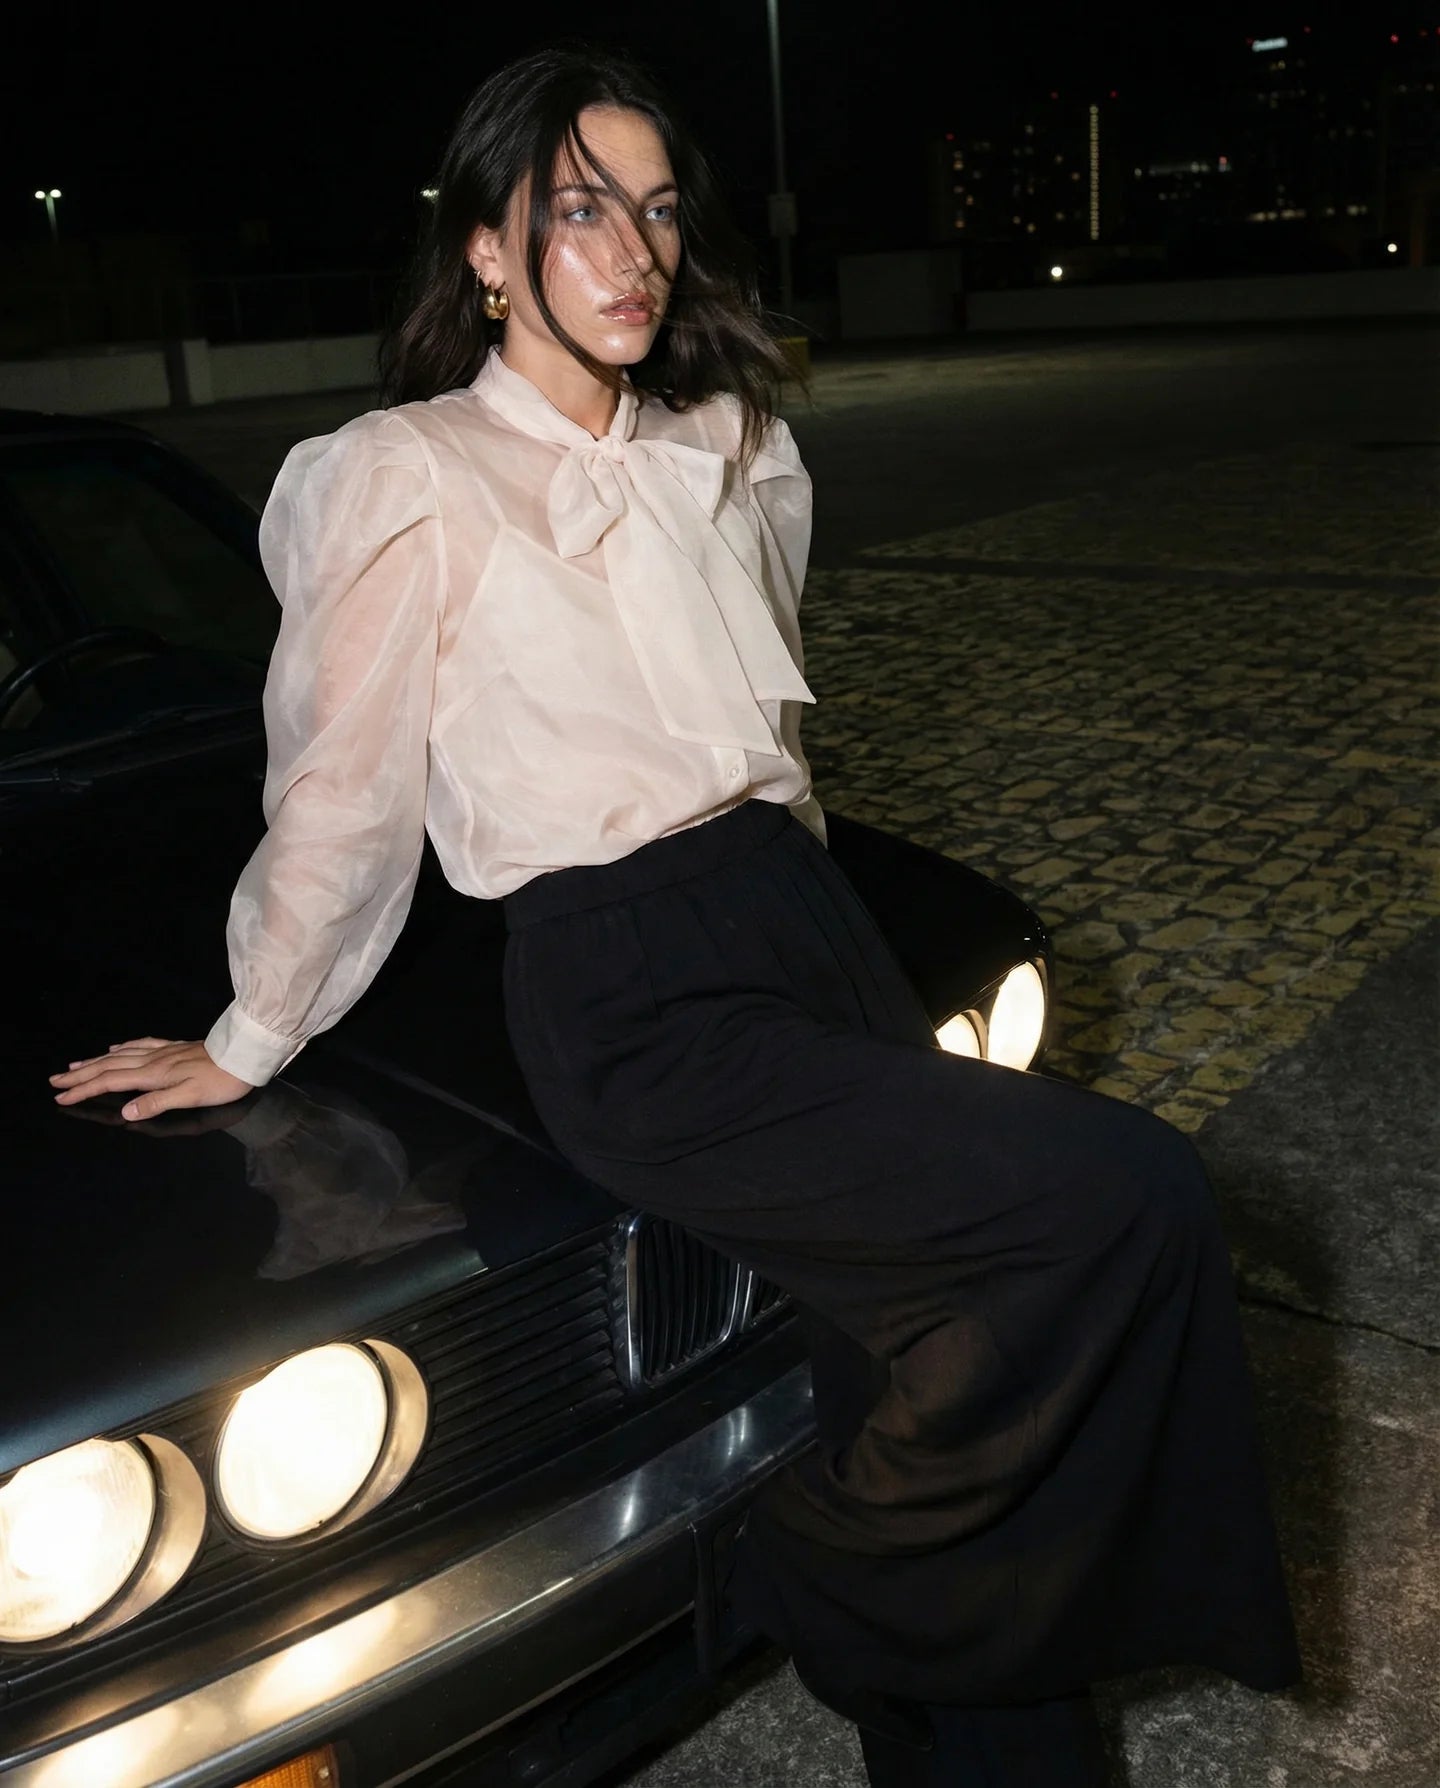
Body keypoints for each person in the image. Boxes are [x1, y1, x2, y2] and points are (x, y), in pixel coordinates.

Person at [50, 43, 1300, 1786]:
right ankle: (824, 1567)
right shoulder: (403, 473)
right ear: (486, 250)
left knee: (918, 1349)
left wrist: (811, 890)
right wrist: (252, 1031)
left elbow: (758, 722)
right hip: (628, 984)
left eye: (653, 211)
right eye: (579, 211)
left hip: (795, 912)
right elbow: (344, 791)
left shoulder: (725, 442)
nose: (633, 250)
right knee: (1126, 1200)